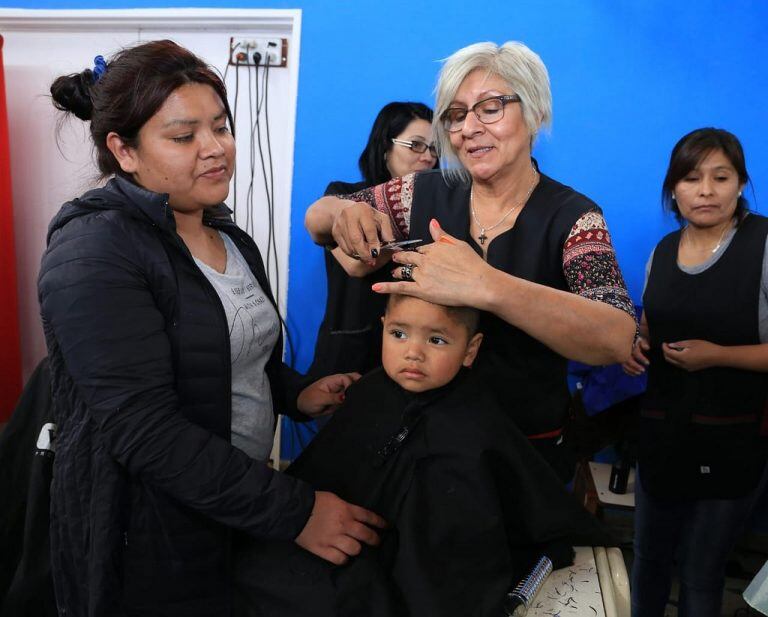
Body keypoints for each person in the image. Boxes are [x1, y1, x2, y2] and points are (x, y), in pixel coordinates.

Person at [39, 40, 385, 617]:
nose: (215, 149)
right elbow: (145, 431)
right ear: (123, 150)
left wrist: (296, 393)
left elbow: (233, 357)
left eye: (221, 127)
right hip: (147, 528)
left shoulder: (228, 238)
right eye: (183, 136)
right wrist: (296, 512)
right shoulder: (94, 253)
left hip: (233, 501)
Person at [305, 41, 636, 480]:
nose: (468, 128)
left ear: (534, 113)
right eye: (457, 115)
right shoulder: (420, 191)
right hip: (421, 442)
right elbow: (317, 218)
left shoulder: (575, 218)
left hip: (521, 454)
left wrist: (486, 284)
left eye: (491, 108)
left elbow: (615, 336)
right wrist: (345, 211)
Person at [233, 294, 610, 617]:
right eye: (398, 334)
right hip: (337, 546)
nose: (413, 352)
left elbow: (461, 551)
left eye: (437, 340)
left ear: (471, 350)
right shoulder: (369, 393)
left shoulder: (472, 424)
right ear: (382, 328)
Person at [621, 128, 768, 617]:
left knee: (703, 572)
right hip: (662, 433)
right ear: (673, 189)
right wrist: (633, 346)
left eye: (720, 177)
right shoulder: (662, 252)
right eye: (691, 178)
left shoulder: (763, 244)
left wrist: (718, 355)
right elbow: (646, 327)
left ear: (741, 183)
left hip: (735, 438)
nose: (705, 190)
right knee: (648, 559)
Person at [308, 102, 438, 378]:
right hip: (350, 355)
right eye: (415, 145)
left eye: (434, 148)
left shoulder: (442, 206)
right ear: (385, 149)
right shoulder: (345, 196)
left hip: (414, 358)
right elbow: (357, 264)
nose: (428, 157)